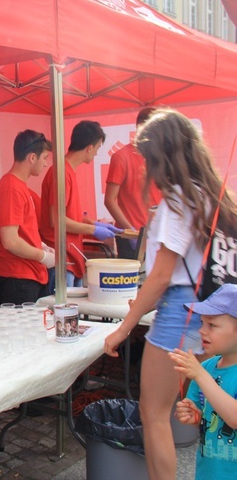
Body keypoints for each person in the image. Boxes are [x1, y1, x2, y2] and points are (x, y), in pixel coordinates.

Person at [104, 109, 237, 479]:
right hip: (220, 316)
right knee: (207, 408)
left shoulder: (176, 201)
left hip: (181, 315)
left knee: (154, 414)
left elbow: (162, 276)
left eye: (146, 158)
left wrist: (123, 327)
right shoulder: (216, 195)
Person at [40, 120, 121, 293]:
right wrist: (92, 230)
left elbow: (70, 215)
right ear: (90, 147)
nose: (96, 153)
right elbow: (57, 220)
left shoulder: (68, 171)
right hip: (61, 257)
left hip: (71, 256)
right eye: (98, 148)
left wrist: (94, 224)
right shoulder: (61, 172)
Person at [169, 284, 237, 479]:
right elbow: (202, 417)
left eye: (212, 325)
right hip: (208, 472)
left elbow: (234, 417)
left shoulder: (202, 373)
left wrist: (199, 375)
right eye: (201, 323)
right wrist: (192, 416)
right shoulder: (206, 367)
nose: (201, 331)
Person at [0, 130, 54, 305]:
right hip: (17, 277)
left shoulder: (17, 186)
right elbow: (10, 241)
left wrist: (41, 246)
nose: (46, 164)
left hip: (24, 275)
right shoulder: (12, 188)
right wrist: (42, 256)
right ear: (32, 157)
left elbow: (22, 233)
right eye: (45, 158)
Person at [104, 107, 161, 259]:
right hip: (131, 235)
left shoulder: (161, 158)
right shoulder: (122, 157)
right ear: (140, 128)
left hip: (158, 235)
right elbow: (109, 200)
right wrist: (131, 231)